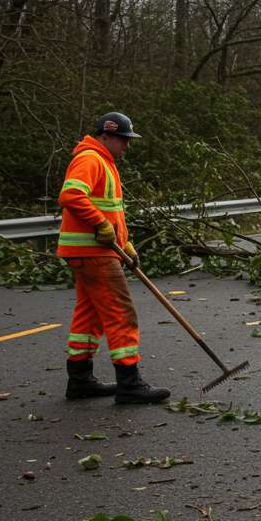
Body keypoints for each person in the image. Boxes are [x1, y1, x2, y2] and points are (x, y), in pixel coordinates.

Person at [57, 112, 169, 404]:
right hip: (93, 252)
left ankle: (80, 381)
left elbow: (113, 213)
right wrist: (100, 225)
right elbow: (71, 196)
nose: (127, 146)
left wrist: (126, 243)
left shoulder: (103, 162)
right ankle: (130, 384)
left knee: (89, 315)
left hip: (90, 252)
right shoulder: (90, 159)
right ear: (106, 136)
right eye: (123, 139)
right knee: (122, 313)